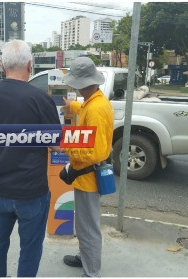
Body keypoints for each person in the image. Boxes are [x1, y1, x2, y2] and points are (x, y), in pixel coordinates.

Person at [0, 39, 60, 277]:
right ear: (30, 65)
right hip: (32, 192)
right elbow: (56, 144)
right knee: (30, 246)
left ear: (2, 66)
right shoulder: (42, 100)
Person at [61, 57, 114, 277]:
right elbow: (84, 109)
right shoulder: (94, 102)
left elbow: (97, 152)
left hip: (89, 177)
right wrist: (71, 105)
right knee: (83, 225)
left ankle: (91, 273)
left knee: (89, 228)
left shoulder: (96, 109)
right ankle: (85, 258)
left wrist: (66, 148)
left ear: (82, 83)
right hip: (85, 177)